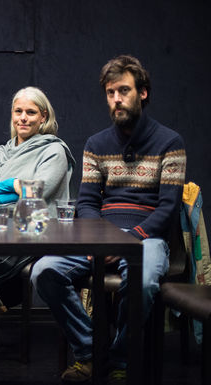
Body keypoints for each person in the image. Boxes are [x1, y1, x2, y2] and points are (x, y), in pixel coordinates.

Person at [30, 55, 187, 384]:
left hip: (146, 237)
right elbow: (87, 202)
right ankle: (90, 352)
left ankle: (119, 359)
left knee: (143, 282)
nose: (117, 99)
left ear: (142, 93)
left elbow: (168, 208)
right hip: (101, 237)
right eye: (111, 92)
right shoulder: (96, 144)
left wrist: (127, 241)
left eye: (124, 91)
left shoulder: (170, 142)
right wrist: (98, 239)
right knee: (44, 271)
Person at [0, 86, 75, 375]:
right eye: (18, 111)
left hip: (31, 228)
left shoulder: (54, 150)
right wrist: (11, 186)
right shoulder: (1, 152)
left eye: (31, 112)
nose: (23, 118)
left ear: (43, 116)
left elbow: (37, 194)